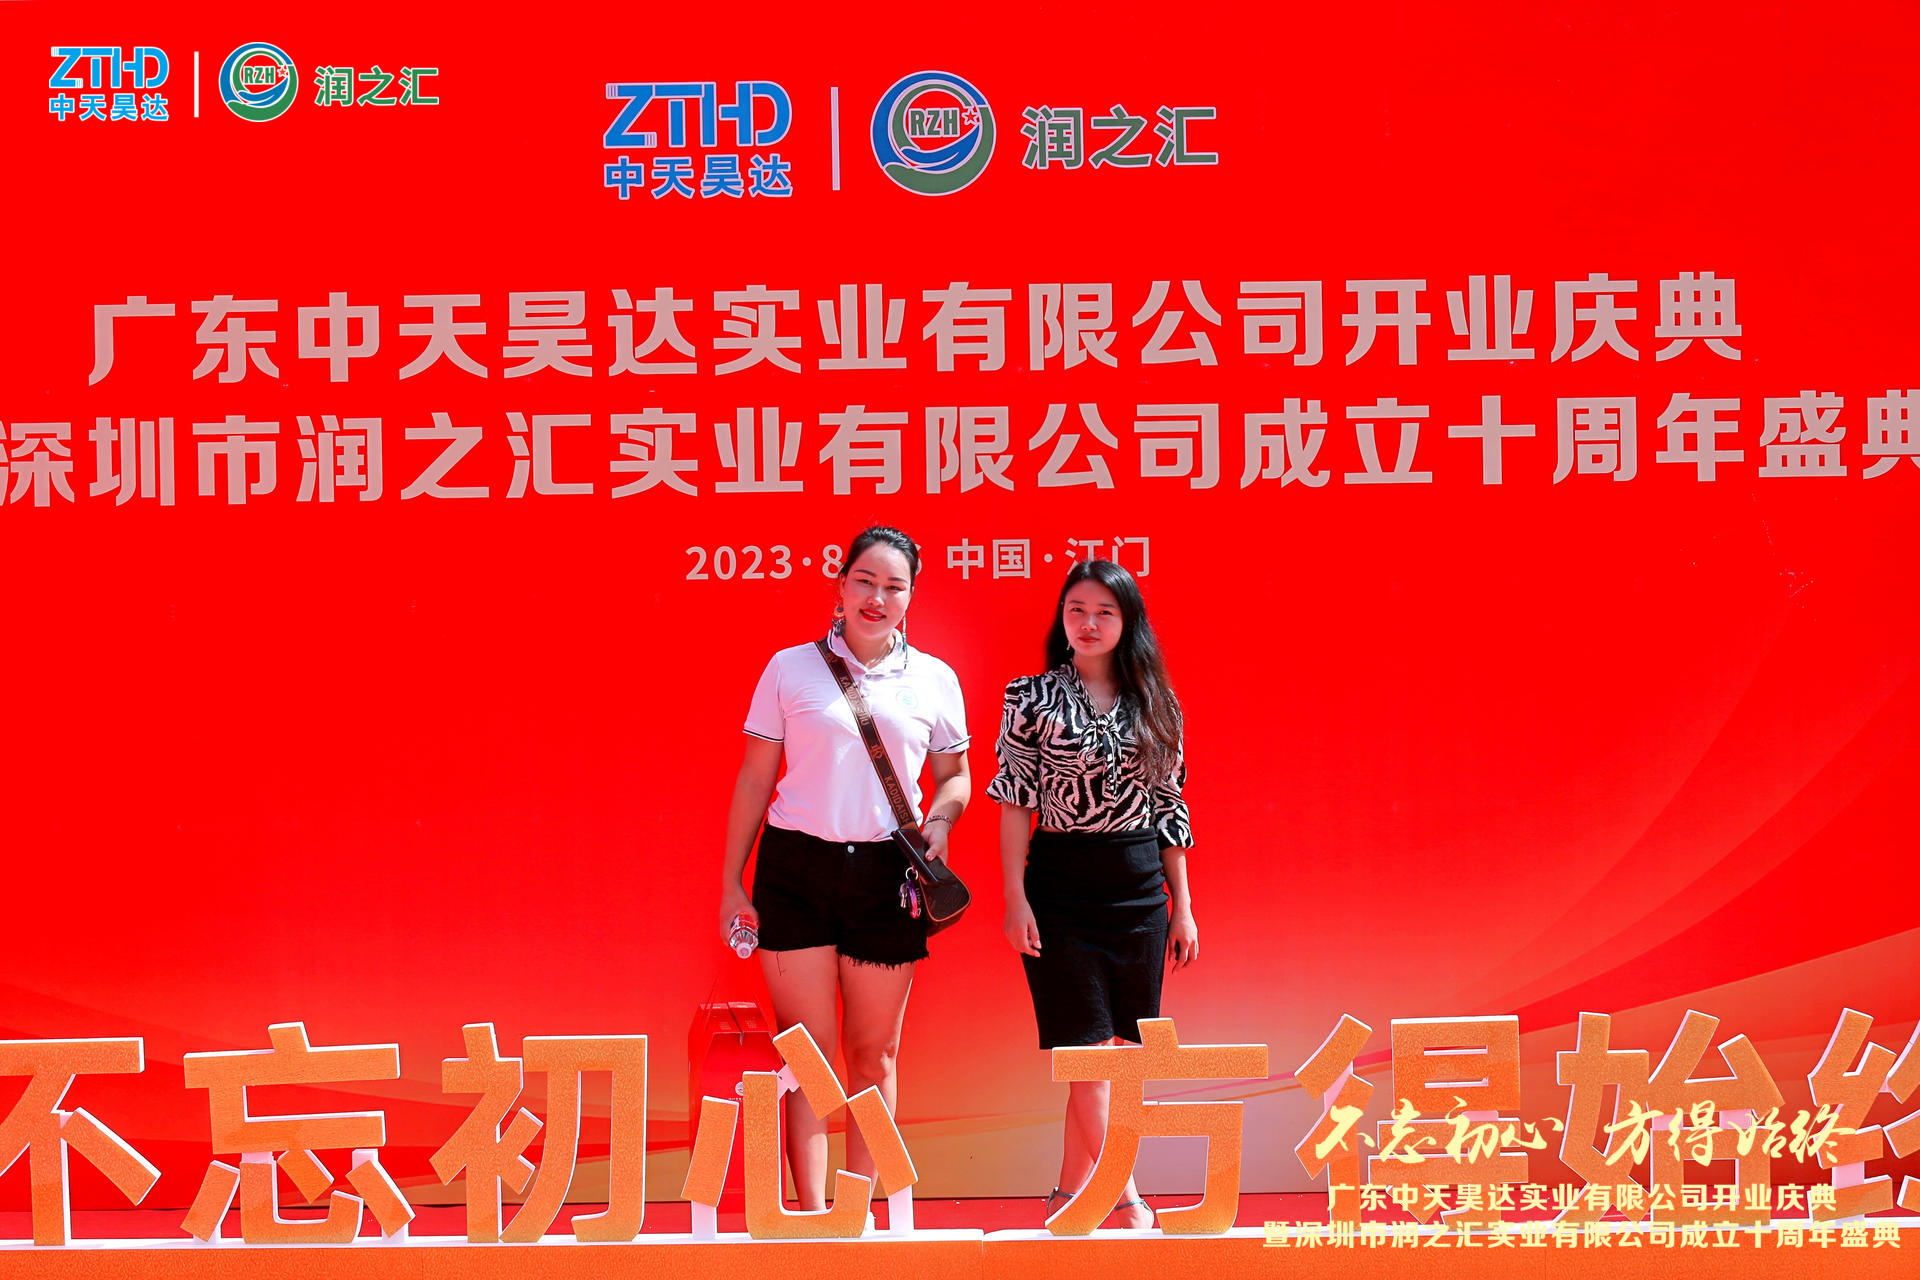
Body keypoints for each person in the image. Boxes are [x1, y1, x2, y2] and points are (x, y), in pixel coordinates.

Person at [718, 525, 971, 1211]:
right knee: (807, 1055)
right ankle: (812, 1220)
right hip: (795, 868)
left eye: (894, 587)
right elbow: (754, 778)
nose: (876, 598)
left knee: (873, 1055)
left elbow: (955, 775)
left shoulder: (934, 678)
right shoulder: (789, 668)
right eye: (865, 581)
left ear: (911, 597)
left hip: (889, 875)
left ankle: (862, 1217)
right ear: (840, 584)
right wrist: (732, 881)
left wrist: (942, 820)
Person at [991, 558, 1196, 1230]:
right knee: (1086, 1056)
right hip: (1061, 890)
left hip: (1139, 890)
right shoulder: (1030, 697)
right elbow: (1015, 801)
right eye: (1076, 609)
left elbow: (1170, 807)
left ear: (1128, 621)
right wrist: (1015, 897)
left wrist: (1183, 907)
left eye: (1104, 611)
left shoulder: (1157, 703)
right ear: (1062, 619)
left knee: (1121, 1062)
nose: (1088, 622)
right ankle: (1127, 1199)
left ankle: (1066, 1199)